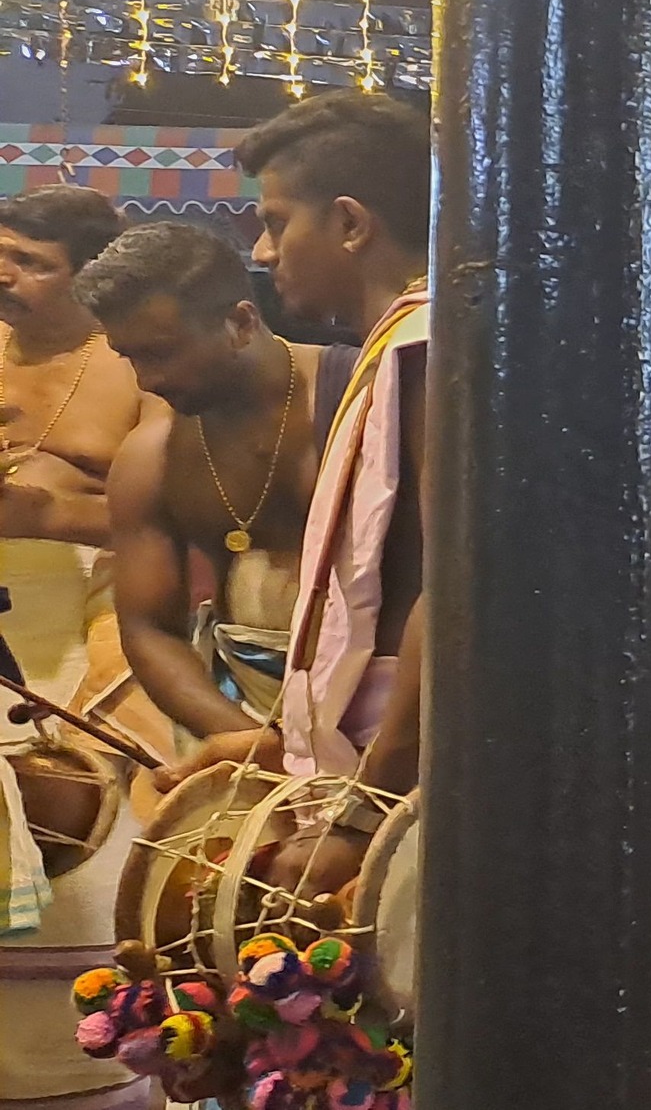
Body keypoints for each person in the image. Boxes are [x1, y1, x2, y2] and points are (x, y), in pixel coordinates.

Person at [162, 92, 434, 913]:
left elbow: (462, 599)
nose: (265, 248)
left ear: (350, 223)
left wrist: (362, 810)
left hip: (412, 778)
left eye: (278, 221)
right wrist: (282, 743)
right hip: (383, 756)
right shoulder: (396, 347)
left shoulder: (429, 349)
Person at [0, 185, 170, 1110]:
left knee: (77, 853)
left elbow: (178, 518)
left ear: (89, 275)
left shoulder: (132, 369)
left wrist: (47, 511)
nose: (4, 274)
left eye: (31, 261)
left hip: (85, 645)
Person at [80, 221, 354, 744]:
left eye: (161, 352)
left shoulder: (363, 401)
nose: (146, 380)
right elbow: (147, 628)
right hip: (246, 713)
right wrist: (242, 738)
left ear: (241, 322)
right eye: (129, 356)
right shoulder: (151, 455)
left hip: (392, 721)